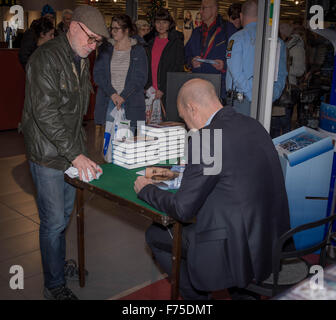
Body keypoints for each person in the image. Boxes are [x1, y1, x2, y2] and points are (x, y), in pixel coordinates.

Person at [134, 78, 291, 300]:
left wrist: (146, 189)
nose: (187, 125)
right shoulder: (252, 124)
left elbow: (183, 209)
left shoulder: (207, 139)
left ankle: (197, 300)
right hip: (269, 238)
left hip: (234, 246)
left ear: (192, 108)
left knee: (155, 234)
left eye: (184, 118)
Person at [20, 5, 110, 300]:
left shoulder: (79, 56)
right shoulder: (45, 58)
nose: (93, 45)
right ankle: (53, 285)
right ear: (74, 26)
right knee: (53, 221)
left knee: (63, 217)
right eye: (91, 38)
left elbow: (75, 113)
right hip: (48, 153)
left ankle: (56, 264)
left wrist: (81, 152)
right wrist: (76, 154)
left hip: (68, 151)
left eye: (98, 41)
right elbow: (45, 114)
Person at [226, 0, 287, 116]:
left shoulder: (237, 39)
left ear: (241, 16)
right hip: (267, 101)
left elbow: (236, 72)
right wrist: (270, 96)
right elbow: (281, 75)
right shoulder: (277, 42)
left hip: (241, 102)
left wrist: (251, 95)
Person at [93, 14, 148, 133]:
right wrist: (113, 94)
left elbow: (140, 78)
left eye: (116, 28)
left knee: (128, 142)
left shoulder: (138, 50)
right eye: (111, 28)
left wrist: (122, 96)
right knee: (110, 142)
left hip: (130, 101)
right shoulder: (105, 49)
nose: (112, 31)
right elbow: (98, 75)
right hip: (110, 100)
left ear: (126, 30)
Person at [185, 0, 237, 102]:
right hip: (198, 86)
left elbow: (237, 58)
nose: (200, 11)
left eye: (203, 8)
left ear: (214, 9)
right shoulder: (196, 32)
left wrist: (224, 65)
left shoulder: (228, 30)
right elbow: (186, 55)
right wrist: (191, 62)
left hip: (219, 88)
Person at [145, 8, 184, 122]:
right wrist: (147, 86)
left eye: (164, 22)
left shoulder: (176, 42)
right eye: (158, 22)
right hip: (150, 91)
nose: (161, 25)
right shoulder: (150, 43)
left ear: (169, 24)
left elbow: (177, 68)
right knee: (150, 126)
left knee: (168, 125)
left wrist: (162, 89)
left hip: (167, 91)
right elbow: (147, 67)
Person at [271, 23, 306, 137]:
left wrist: (284, 70)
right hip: (281, 87)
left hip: (287, 88)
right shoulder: (285, 44)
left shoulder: (296, 48)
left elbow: (300, 70)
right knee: (277, 123)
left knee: (283, 124)